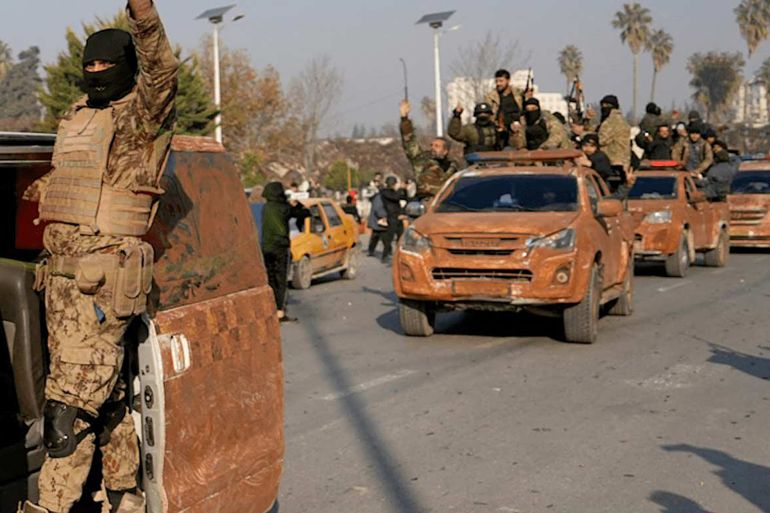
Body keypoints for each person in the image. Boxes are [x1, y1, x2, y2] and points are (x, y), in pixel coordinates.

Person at [17, 2, 177, 512]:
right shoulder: (78, 116)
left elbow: (162, 71)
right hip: (61, 284)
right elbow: (70, 182)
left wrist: (143, 15)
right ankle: (126, 498)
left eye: (107, 65)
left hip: (102, 283)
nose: (97, 74)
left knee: (66, 416)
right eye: (89, 67)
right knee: (103, 403)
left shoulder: (143, 117)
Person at [261, 182, 309, 323]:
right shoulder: (284, 208)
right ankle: (280, 313)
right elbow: (305, 213)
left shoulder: (265, 208)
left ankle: (270, 309)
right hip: (281, 247)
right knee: (281, 279)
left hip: (266, 247)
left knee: (270, 278)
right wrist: (298, 203)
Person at [399, 100, 459, 199]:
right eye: (432, 145)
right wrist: (404, 119)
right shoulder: (422, 160)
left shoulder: (452, 166)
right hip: (425, 202)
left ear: (445, 151)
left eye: (437, 146)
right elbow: (409, 141)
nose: (433, 148)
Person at [597, 94, 631, 186]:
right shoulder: (621, 120)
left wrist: (583, 136)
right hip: (622, 162)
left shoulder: (610, 121)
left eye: (606, 106)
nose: (604, 108)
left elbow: (601, 139)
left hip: (612, 162)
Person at [484, 69, 523, 147]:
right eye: (496, 81)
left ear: (508, 80)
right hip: (499, 129)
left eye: (501, 81)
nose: (498, 84)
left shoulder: (518, 93)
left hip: (518, 129)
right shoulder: (491, 96)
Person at [378, 176, 407, 263]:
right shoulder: (385, 192)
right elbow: (396, 197)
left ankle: (399, 255)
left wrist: (404, 190)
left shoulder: (394, 192)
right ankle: (385, 255)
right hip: (392, 217)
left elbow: (404, 198)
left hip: (398, 216)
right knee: (389, 238)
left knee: (400, 237)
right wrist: (400, 189)